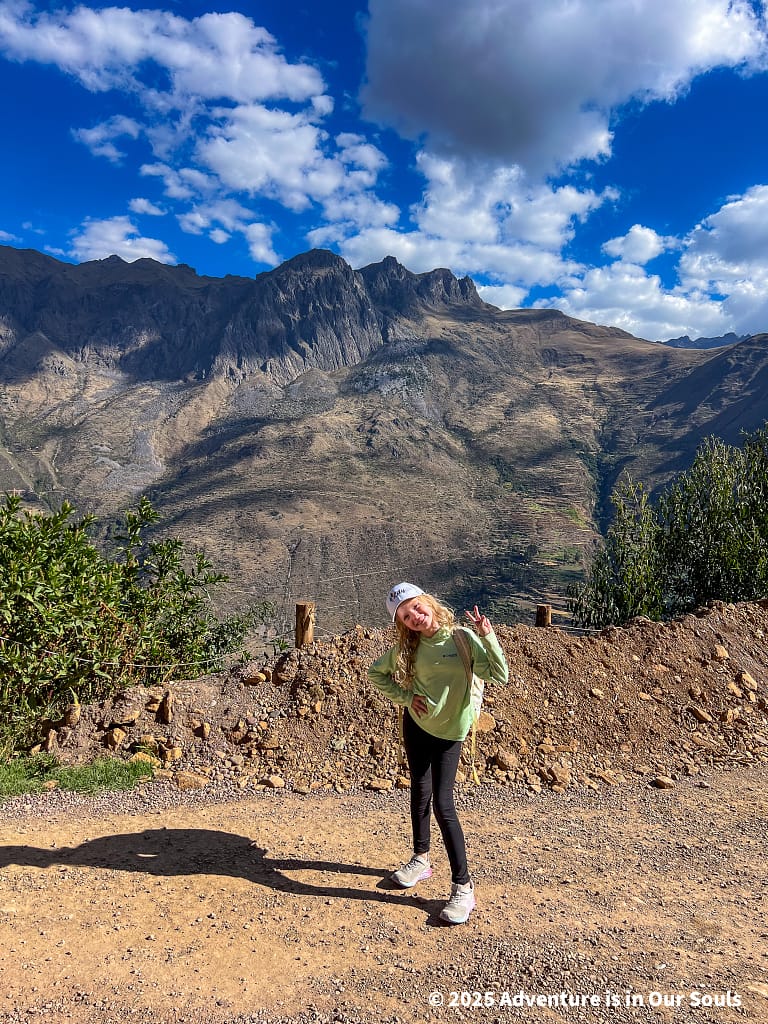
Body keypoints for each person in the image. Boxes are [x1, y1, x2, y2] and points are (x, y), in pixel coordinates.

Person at [368, 582, 508, 924]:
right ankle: (421, 860)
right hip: (417, 725)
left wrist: (487, 635)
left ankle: (463, 887)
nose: (414, 617)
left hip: (451, 732)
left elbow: (500, 675)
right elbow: (377, 673)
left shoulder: (461, 638)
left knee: (444, 806)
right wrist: (405, 698)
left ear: (427, 602)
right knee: (419, 792)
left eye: (415, 607)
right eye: (404, 616)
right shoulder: (411, 647)